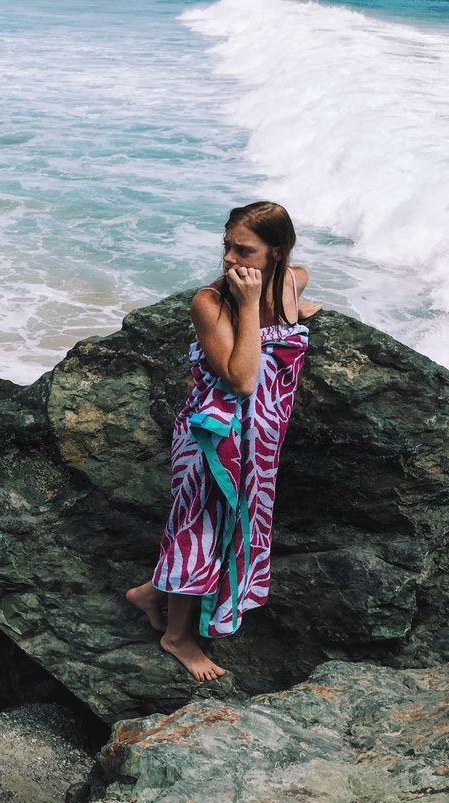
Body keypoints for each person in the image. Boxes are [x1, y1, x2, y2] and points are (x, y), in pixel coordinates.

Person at [125, 201, 320, 682]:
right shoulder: (210, 304)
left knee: (234, 528)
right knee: (199, 531)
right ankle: (176, 636)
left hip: (261, 443)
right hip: (212, 441)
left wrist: (297, 313)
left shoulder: (293, 279)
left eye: (244, 250)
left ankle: (151, 593)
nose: (231, 259)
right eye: (227, 246)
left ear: (276, 253)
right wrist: (252, 306)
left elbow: (301, 281)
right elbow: (242, 379)